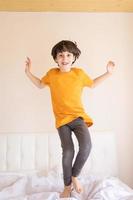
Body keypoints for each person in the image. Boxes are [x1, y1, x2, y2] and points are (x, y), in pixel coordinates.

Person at [25, 40, 115, 198]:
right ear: (56, 59)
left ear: (73, 58)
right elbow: (40, 84)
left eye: (68, 55)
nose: (64, 58)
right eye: (61, 55)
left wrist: (108, 73)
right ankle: (67, 186)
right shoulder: (52, 74)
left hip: (78, 118)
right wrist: (28, 72)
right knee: (68, 151)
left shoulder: (79, 74)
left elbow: (93, 84)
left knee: (86, 146)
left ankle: (74, 176)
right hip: (62, 122)